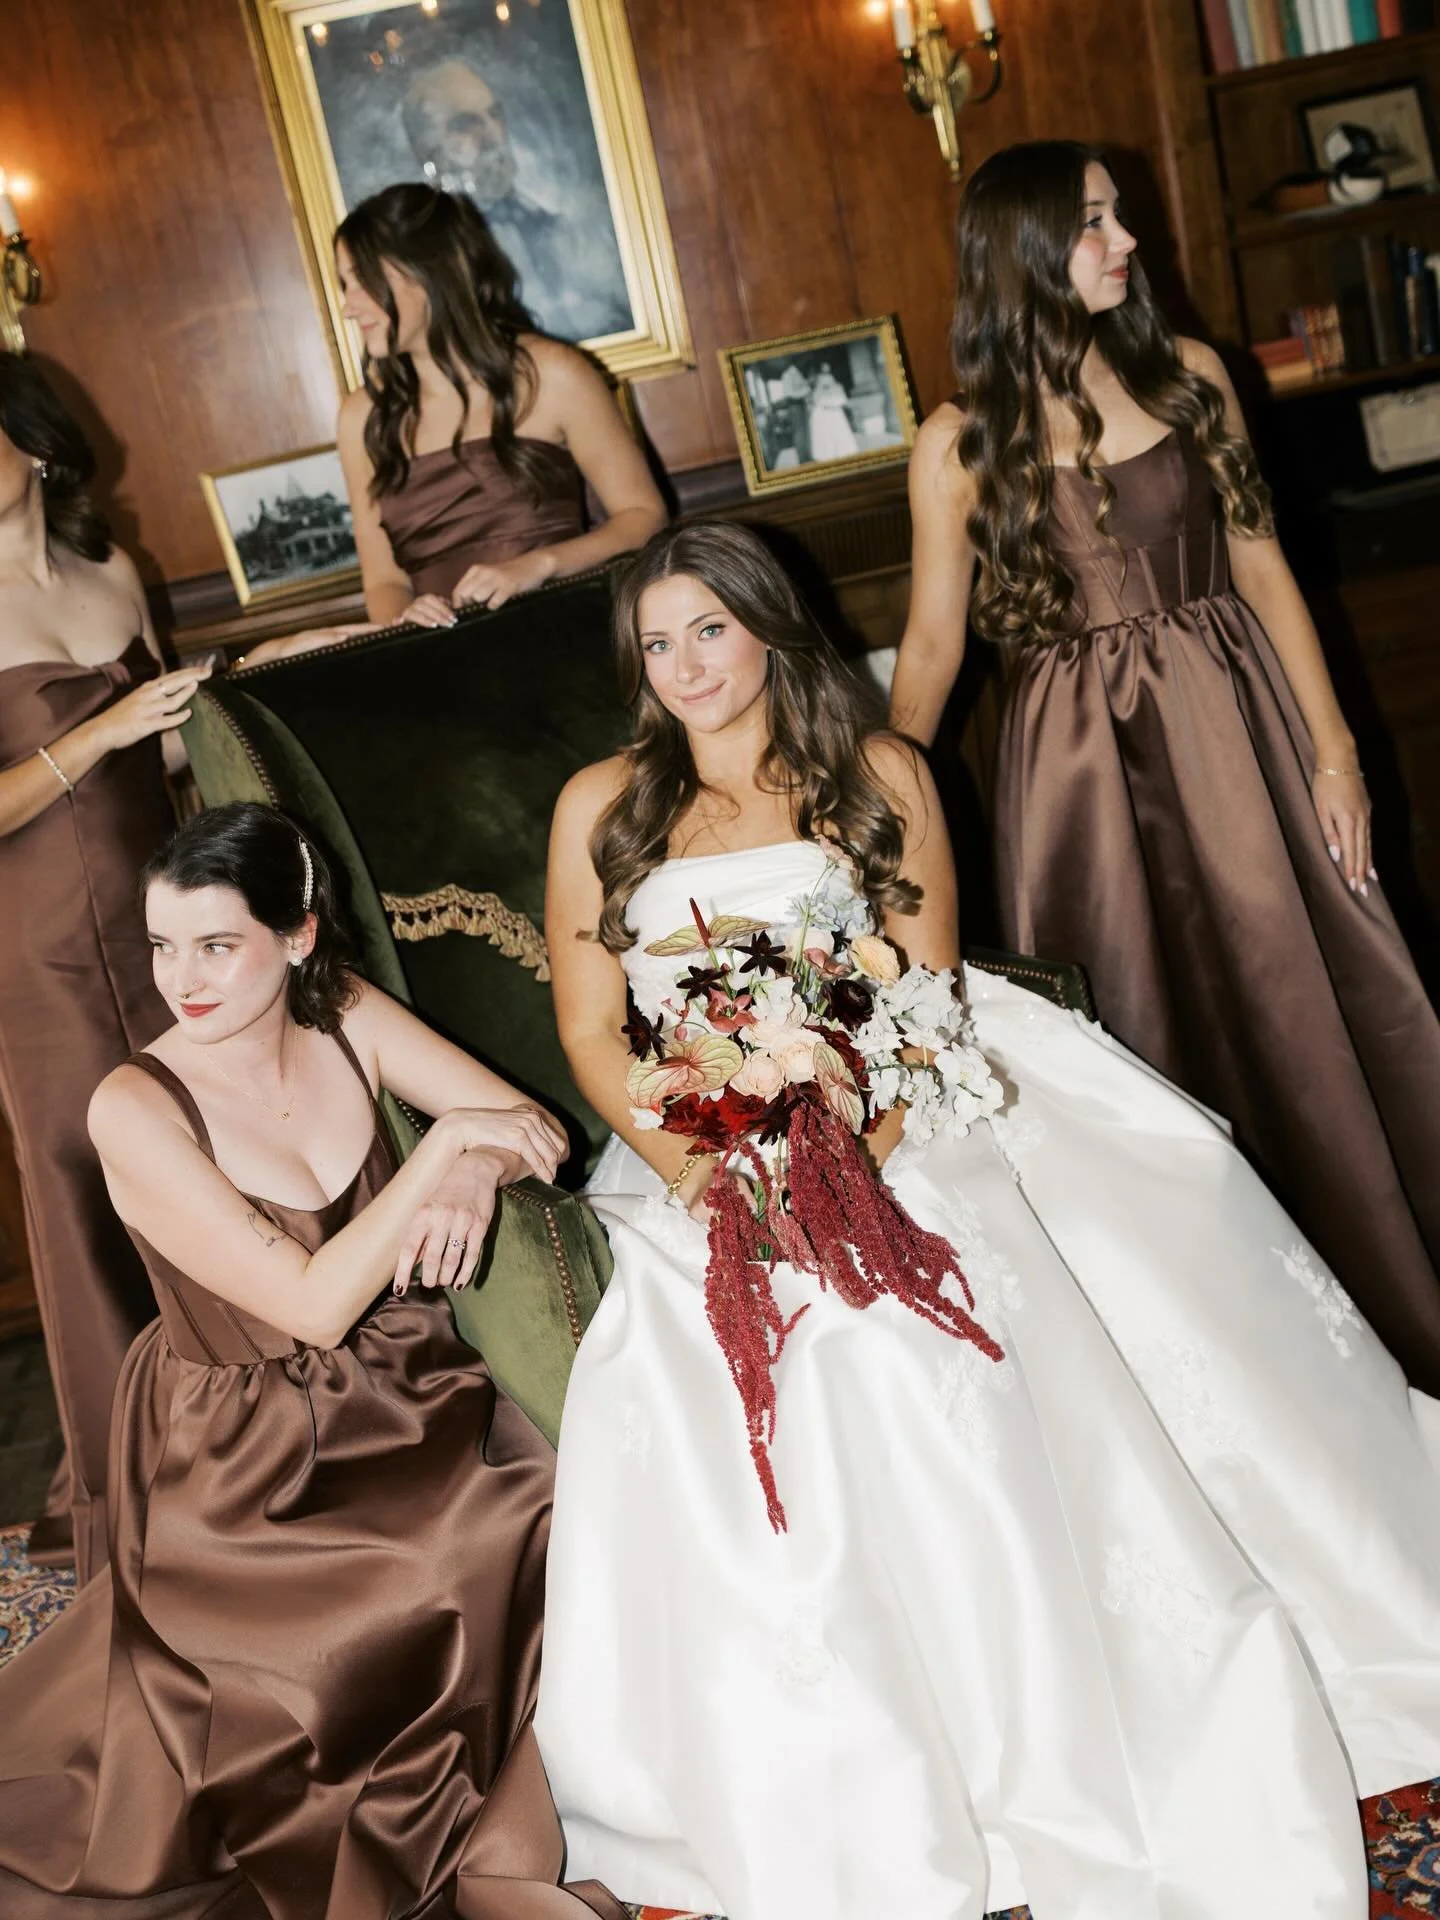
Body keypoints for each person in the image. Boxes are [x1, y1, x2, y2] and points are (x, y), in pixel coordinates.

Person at [536, 519, 1440, 1920]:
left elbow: (922, 985)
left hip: (900, 1109)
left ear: (769, 627)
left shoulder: (879, 770)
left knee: (914, 1309)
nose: (685, 666)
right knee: (709, 1323)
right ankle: (835, 1751)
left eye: (708, 629)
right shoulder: (604, 803)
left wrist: (850, 1160)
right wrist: (707, 1172)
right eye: (656, 644)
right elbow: (594, 1030)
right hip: (693, 1145)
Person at [0, 801, 623, 1920]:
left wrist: (475, 1170)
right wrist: (442, 1144)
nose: (181, 980)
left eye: (217, 944)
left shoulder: (346, 1018)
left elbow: (531, 1126)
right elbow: (311, 1307)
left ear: (296, 941)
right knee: (430, 1580)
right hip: (248, 1465)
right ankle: (467, 1849)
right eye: (162, 945)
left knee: (564, 1500)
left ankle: (517, 1838)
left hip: (412, 1387)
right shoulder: (135, 1106)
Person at [889, 140, 1440, 1395]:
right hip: (1079, 778)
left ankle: (1386, 1317)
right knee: (1138, 1037)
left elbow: (1261, 565)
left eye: (1118, 213)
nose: (1126, 237)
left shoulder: (1190, 376)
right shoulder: (958, 444)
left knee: (1309, 1004)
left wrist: (1338, 754)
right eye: (1093, 222)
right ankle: (1225, 1370)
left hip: (1237, 731)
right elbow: (929, 650)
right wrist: (869, 809)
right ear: (1024, 251)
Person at [0, 353, 208, 1582]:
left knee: (198, 1159)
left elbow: (167, 753)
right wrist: (104, 732)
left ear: (35, 447)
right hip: (39, 951)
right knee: (86, 1190)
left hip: (165, 924)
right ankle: (131, 1490)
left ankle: (236, 1439)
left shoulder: (111, 571)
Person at [401, 61, 632, 343]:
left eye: (494, 116)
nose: (492, 137)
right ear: (426, 150)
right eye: (465, 125)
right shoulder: (431, 255)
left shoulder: (559, 221)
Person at [807, 362, 859, 460]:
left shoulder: (834, 382)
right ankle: (828, 454)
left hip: (834, 409)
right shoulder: (818, 381)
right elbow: (818, 397)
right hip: (824, 410)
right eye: (824, 367)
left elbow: (840, 397)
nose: (826, 368)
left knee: (839, 433)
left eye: (827, 367)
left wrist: (834, 396)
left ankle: (842, 452)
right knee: (827, 436)